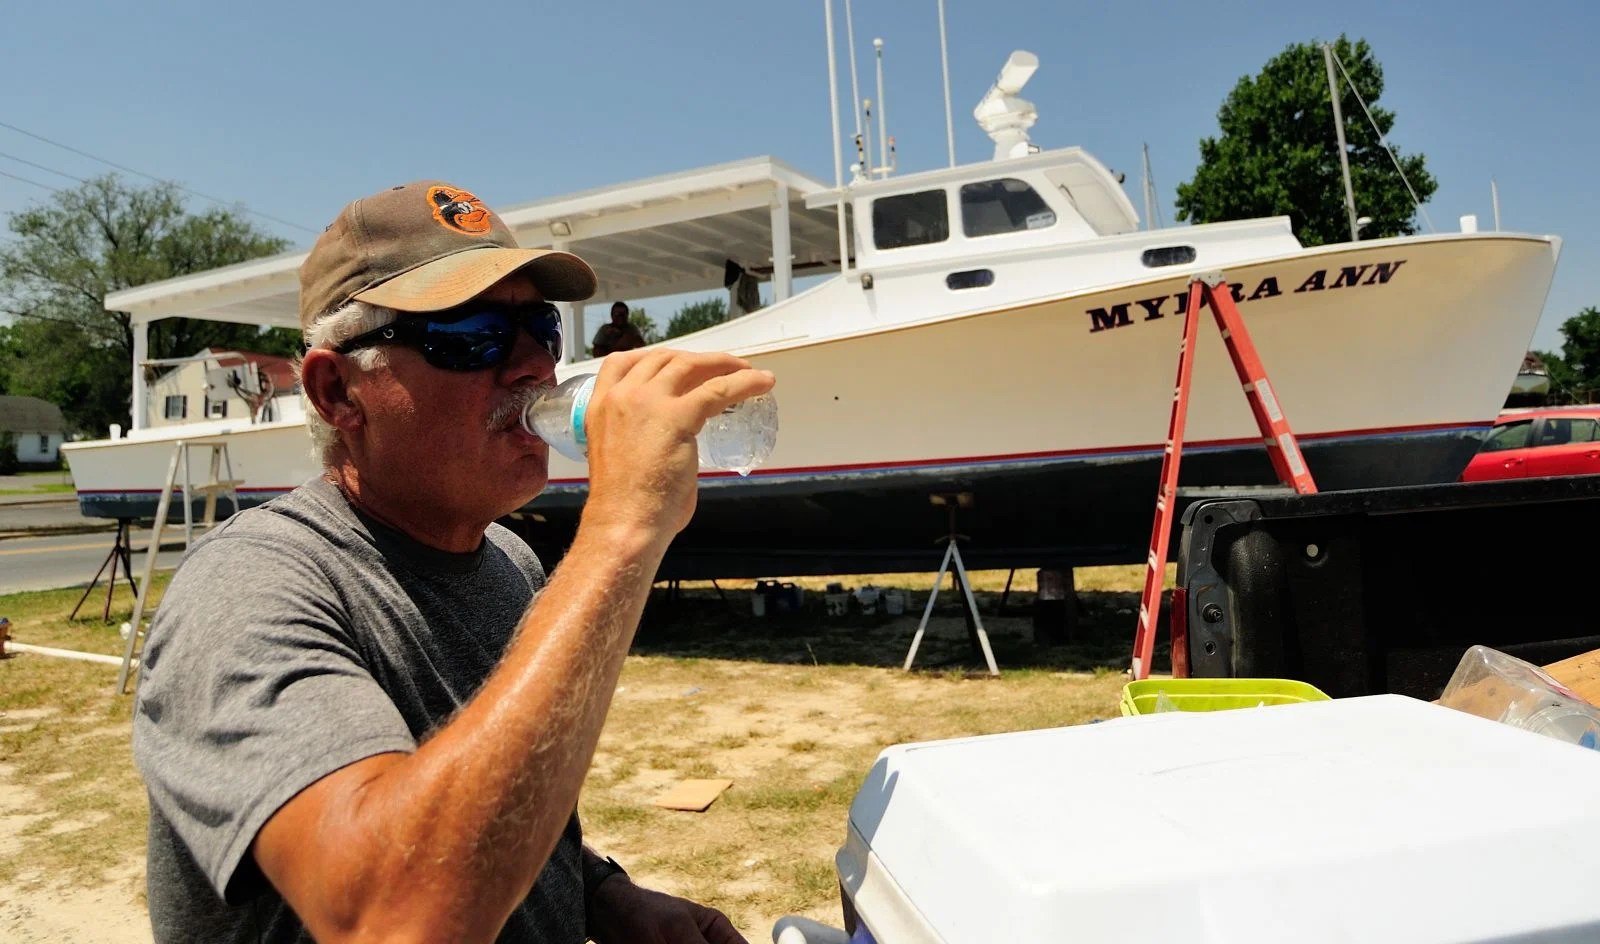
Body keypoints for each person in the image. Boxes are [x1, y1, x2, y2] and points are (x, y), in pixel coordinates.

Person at [131, 180, 773, 943]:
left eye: (540, 327)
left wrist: (602, 896)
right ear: (339, 392)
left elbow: (497, 794)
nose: (534, 365)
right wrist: (624, 527)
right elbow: (391, 916)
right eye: (470, 334)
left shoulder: (508, 559)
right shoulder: (249, 587)